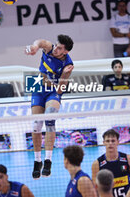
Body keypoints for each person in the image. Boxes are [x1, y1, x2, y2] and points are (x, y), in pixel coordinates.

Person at [25, 35, 74, 179]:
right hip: (37, 86)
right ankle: (37, 160)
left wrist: (64, 75)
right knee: (36, 125)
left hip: (53, 90)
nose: (56, 49)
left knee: (50, 120)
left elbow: (60, 90)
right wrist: (34, 47)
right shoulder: (49, 48)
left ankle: (48, 160)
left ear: (65, 52)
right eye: (56, 45)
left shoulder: (68, 65)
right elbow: (39, 42)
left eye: (60, 48)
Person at [92, 129, 130, 197]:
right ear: (104, 142)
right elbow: (95, 189)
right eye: (107, 141)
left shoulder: (128, 159)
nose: (110, 143)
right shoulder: (97, 164)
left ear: (118, 142)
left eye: (113, 141)